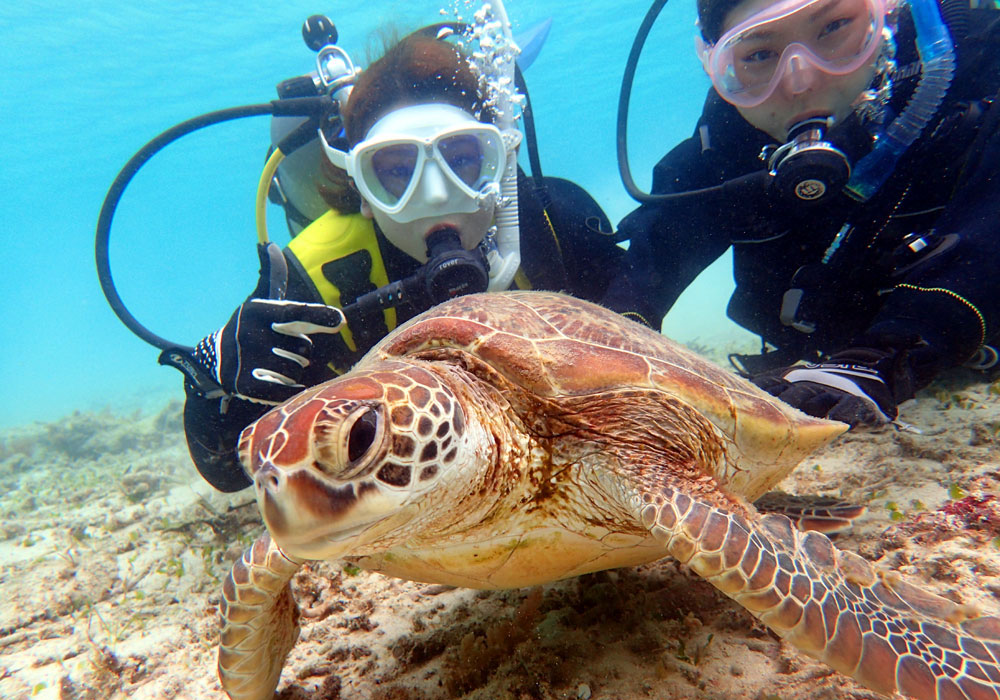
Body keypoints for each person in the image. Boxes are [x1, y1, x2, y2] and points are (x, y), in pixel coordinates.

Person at [181, 32, 622, 491]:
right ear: (361, 187)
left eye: (463, 159)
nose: (435, 194)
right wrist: (210, 381)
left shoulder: (554, 224)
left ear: (500, 162)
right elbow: (229, 471)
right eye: (396, 171)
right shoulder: (319, 275)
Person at [604, 0, 1000, 428]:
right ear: (716, 66)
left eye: (833, 27)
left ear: (886, 13)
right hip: (816, 358)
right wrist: (607, 346)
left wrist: (889, 351)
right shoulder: (722, 150)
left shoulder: (978, 67)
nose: (801, 80)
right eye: (758, 54)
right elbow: (650, 264)